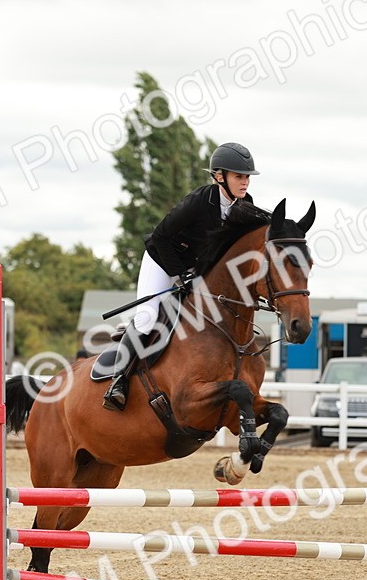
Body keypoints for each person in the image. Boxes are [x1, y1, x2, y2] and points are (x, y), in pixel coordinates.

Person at [103, 142, 259, 411]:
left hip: (196, 270)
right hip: (163, 260)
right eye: (239, 176)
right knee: (148, 317)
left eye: (246, 177)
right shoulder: (199, 201)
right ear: (219, 176)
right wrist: (178, 275)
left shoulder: (245, 205)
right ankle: (118, 382)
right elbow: (162, 236)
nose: (244, 182)